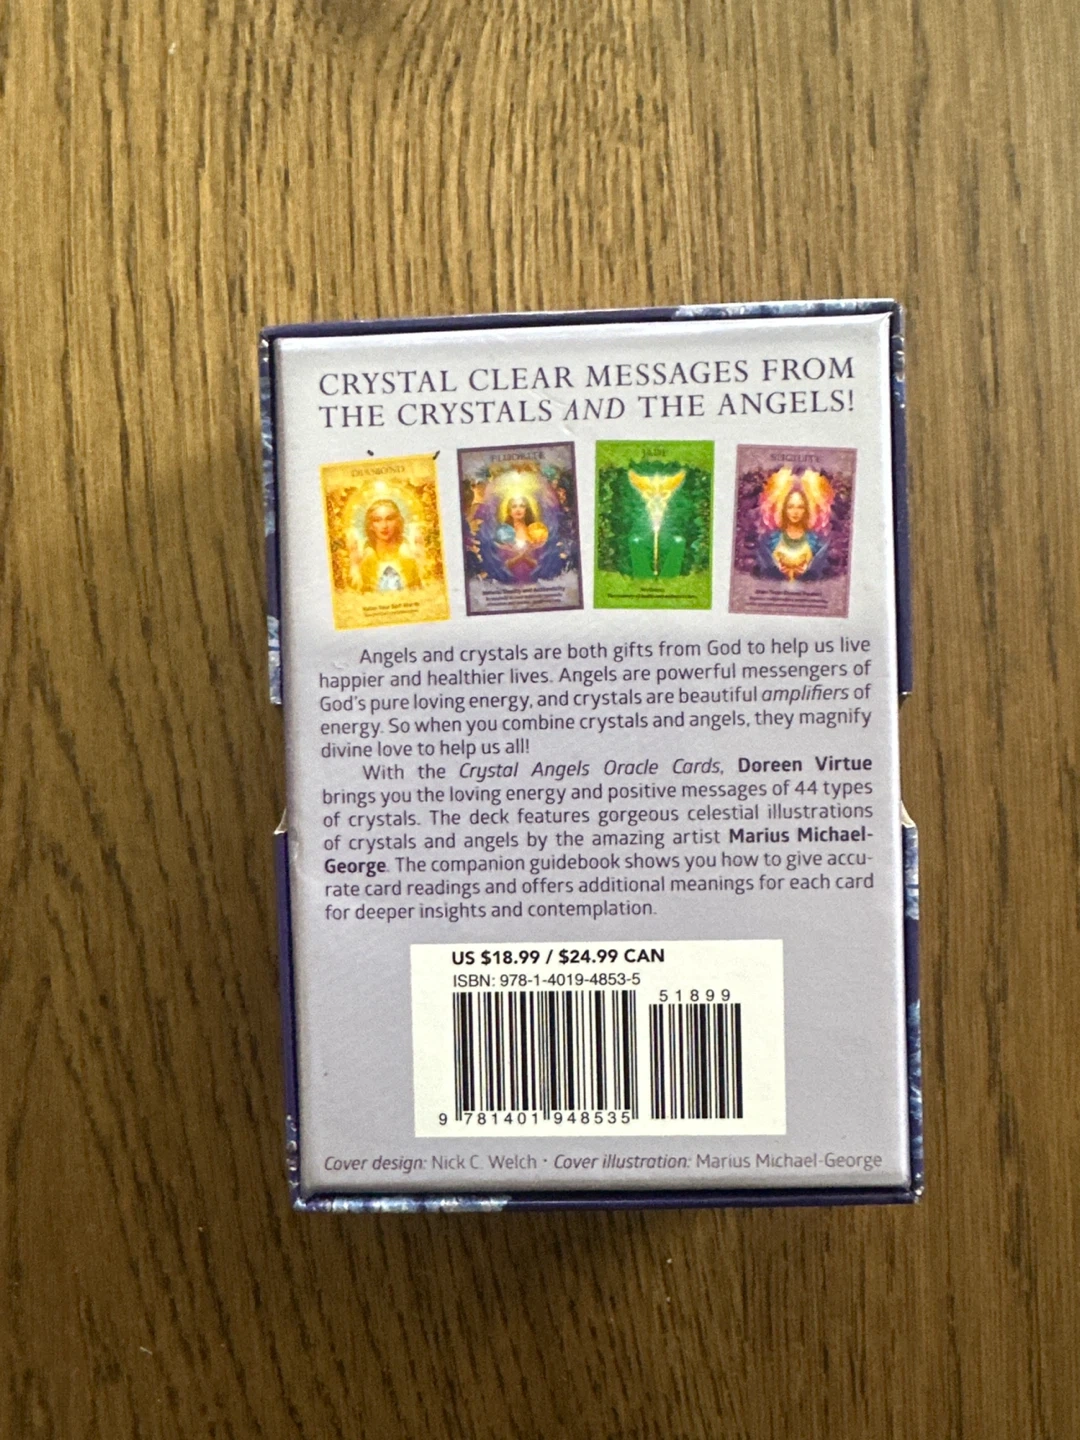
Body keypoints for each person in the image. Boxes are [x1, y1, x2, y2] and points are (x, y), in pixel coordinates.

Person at [759, 487, 828, 581]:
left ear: (805, 510)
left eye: (800, 507)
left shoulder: (815, 541)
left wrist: (809, 570)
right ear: (785, 510)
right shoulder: (771, 540)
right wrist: (775, 569)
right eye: (790, 507)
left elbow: (821, 570)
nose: (795, 512)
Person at [351, 498, 420, 592]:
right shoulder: (363, 556)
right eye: (377, 520)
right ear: (370, 525)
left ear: (398, 522)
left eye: (389, 519)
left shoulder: (410, 553)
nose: (384, 526)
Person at [492, 494, 549, 582]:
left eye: (522, 506)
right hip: (509, 582)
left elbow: (541, 563)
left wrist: (526, 558)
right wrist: (520, 557)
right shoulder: (503, 533)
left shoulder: (536, 532)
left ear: (527, 510)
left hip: (533, 581)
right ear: (509, 511)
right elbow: (501, 564)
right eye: (514, 506)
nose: (518, 509)